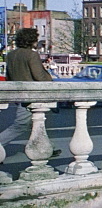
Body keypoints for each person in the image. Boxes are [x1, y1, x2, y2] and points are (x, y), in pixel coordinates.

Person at [0, 28, 59, 157]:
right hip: (32, 95)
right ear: (31, 40)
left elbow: (9, 76)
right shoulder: (31, 55)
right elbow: (39, 76)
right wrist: (51, 83)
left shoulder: (10, 55)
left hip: (18, 93)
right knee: (20, 125)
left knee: (38, 122)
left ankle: (48, 147)